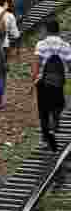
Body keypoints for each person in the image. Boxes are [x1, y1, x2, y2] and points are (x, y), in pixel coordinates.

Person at [32, 19, 71, 152]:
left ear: (47, 30)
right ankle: (54, 122)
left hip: (43, 83)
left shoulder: (41, 44)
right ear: (58, 31)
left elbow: (37, 63)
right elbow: (69, 65)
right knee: (58, 105)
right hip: (58, 83)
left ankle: (45, 139)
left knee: (43, 111)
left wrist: (34, 79)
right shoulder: (65, 46)